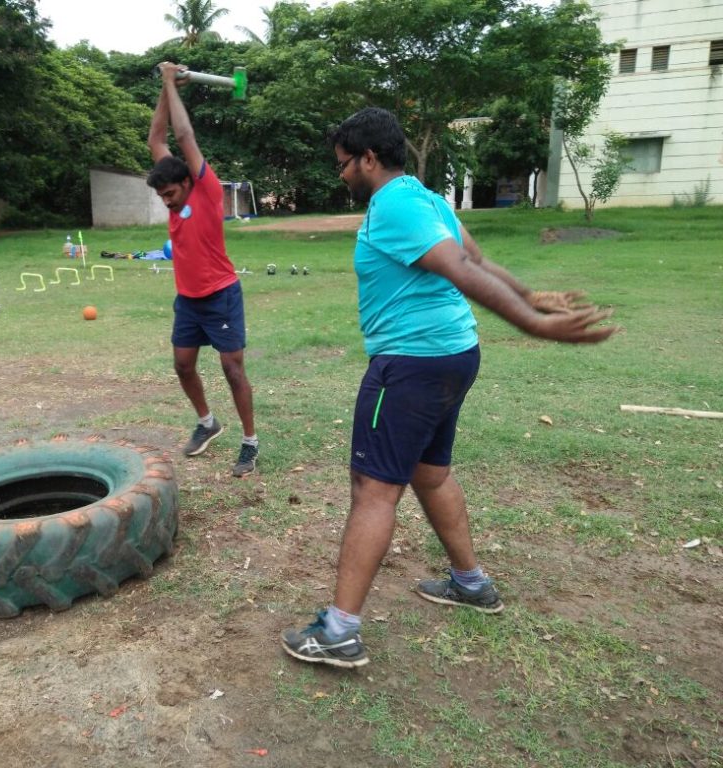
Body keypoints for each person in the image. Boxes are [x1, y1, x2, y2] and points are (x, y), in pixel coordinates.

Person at [281, 107, 616, 668]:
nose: (340, 176)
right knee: (430, 474)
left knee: (373, 489)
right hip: (453, 356)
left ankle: (339, 631)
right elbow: (474, 258)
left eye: (343, 165)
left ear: (369, 158)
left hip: (410, 364)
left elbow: (462, 269)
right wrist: (530, 296)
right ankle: (470, 582)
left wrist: (533, 323)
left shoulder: (392, 204)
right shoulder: (427, 197)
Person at [146, 61, 259, 478]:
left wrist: (169, 83)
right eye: (162, 198)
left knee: (232, 369)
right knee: (182, 365)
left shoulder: (207, 189)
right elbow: (157, 138)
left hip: (221, 294)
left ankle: (250, 443)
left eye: (172, 195)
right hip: (188, 300)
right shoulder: (170, 179)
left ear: (188, 183)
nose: (168, 203)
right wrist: (166, 84)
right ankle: (208, 422)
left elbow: (183, 135)